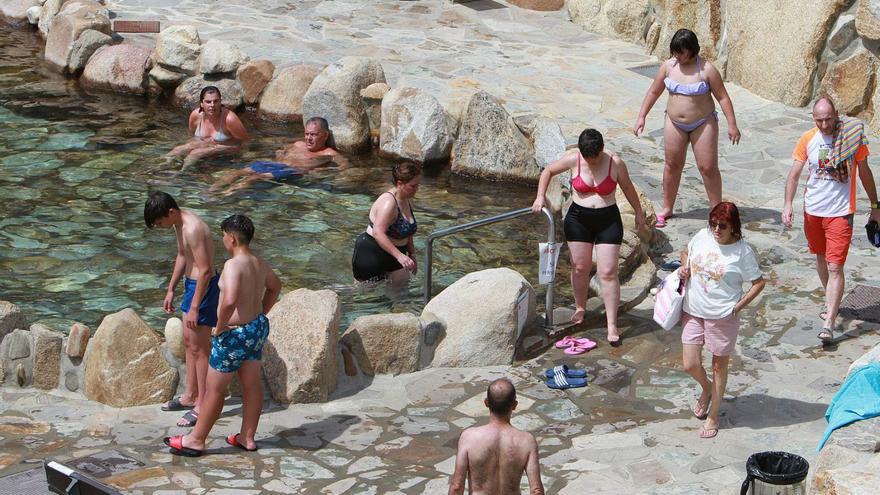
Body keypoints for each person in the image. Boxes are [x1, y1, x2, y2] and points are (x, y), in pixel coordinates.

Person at [163, 214, 282, 457]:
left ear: (233, 239)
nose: (222, 240)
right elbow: (275, 287)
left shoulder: (232, 265)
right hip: (255, 329)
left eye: (224, 236)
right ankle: (246, 437)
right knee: (252, 384)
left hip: (233, 335)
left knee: (214, 389)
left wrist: (220, 326)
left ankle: (195, 440)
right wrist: (261, 312)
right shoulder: (260, 262)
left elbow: (228, 300)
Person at [532, 129, 646, 345]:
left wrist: (638, 212)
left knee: (608, 272)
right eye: (587, 158)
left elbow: (628, 188)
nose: (591, 162)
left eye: (594, 158)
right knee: (580, 267)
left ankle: (612, 324)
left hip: (607, 220)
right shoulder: (574, 159)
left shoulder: (615, 163)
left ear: (601, 150)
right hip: (578, 219)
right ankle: (580, 307)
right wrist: (540, 197)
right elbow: (547, 171)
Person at [783, 96, 880, 343]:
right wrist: (787, 205)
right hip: (813, 210)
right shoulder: (808, 139)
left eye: (828, 119)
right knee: (821, 259)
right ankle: (832, 303)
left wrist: (875, 205)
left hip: (840, 212)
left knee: (835, 266)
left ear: (836, 114)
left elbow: (865, 172)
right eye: (819, 120)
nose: (824, 125)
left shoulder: (852, 138)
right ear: (813, 118)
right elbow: (794, 175)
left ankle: (829, 322)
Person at [633, 28, 741, 228]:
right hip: (674, 122)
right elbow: (653, 92)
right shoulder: (668, 67)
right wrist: (642, 116)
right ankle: (667, 207)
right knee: (672, 165)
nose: (677, 56)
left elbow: (723, 97)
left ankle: (717, 210)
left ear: (692, 50)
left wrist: (732, 124)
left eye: (681, 52)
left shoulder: (707, 70)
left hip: (703, 123)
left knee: (707, 167)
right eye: (675, 51)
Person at [679, 202, 764, 438]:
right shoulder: (702, 236)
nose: (716, 229)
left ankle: (713, 416)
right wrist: (684, 266)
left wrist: (737, 307)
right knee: (689, 363)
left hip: (722, 315)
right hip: (694, 310)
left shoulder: (742, 252)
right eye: (713, 224)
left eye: (722, 225)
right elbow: (686, 251)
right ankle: (707, 388)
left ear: (733, 227)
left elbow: (758, 283)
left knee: (718, 365)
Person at [144, 191, 220, 428]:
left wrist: (196, 305)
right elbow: (182, 256)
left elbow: (206, 269)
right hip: (191, 285)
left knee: (200, 347)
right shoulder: (179, 225)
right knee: (189, 343)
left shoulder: (193, 228)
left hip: (203, 288)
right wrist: (170, 289)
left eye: (159, 222)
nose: (159, 226)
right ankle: (190, 395)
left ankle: (203, 403)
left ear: (171, 212)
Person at [448, 378, 544, 495]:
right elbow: (536, 490)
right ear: (514, 405)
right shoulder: (526, 441)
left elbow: (457, 486)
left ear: (486, 403)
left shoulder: (469, 437)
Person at [209, 117, 349, 195]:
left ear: (325, 135)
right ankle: (211, 190)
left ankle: (224, 195)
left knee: (255, 177)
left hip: (293, 171)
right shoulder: (298, 144)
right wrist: (280, 154)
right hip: (278, 165)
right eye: (307, 134)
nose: (309, 138)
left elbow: (344, 166)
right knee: (239, 171)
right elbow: (281, 150)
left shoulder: (329, 153)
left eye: (313, 135)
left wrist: (322, 171)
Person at [351, 162, 421, 284]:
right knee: (366, 297)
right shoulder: (388, 203)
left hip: (397, 254)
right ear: (400, 184)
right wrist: (400, 256)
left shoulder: (407, 200)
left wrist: (412, 255)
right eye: (413, 186)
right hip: (372, 253)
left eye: (418, 185)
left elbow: (408, 232)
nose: (417, 189)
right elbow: (378, 233)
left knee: (402, 296)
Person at [165, 86, 249, 169]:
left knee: (196, 153)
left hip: (223, 152)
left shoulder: (229, 119)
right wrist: (195, 145)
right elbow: (192, 136)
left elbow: (244, 143)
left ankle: (181, 174)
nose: (212, 105)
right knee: (177, 150)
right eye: (208, 102)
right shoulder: (195, 115)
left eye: (216, 101)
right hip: (205, 147)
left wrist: (216, 148)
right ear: (201, 103)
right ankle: (160, 169)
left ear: (220, 102)